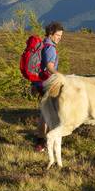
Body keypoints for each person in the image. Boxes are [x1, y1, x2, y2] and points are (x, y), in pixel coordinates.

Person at [34, 21, 64, 150]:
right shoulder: (50, 48)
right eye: (57, 35)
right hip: (47, 83)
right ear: (51, 34)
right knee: (48, 114)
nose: (59, 38)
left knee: (44, 113)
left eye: (61, 36)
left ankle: (41, 142)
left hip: (39, 82)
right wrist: (61, 76)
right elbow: (50, 67)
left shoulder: (43, 44)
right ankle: (43, 143)